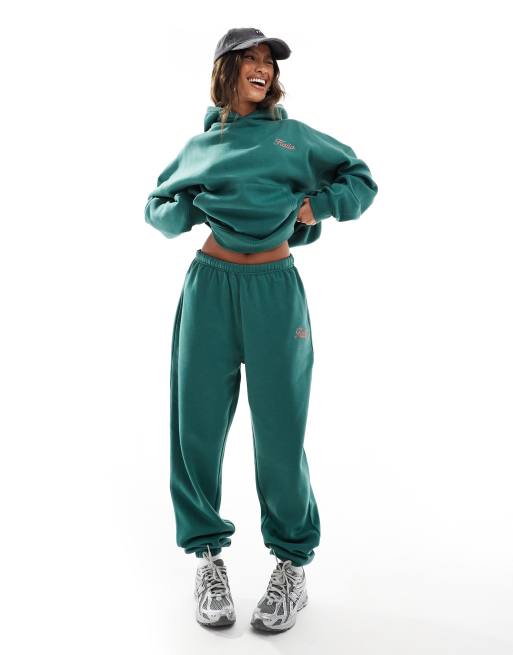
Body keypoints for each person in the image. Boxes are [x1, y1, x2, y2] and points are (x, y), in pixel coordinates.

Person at [144, 27, 378, 633]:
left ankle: (291, 566)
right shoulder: (202, 145)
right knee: (196, 428)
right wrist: (186, 208)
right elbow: (157, 207)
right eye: (249, 59)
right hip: (210, 288)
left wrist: (317, 206)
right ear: (225, 70)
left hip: (275, 291)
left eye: (268, 61)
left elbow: (359, 177)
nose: (262, 68)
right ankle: (207, 559)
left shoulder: (293, 138)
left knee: (280, 433)